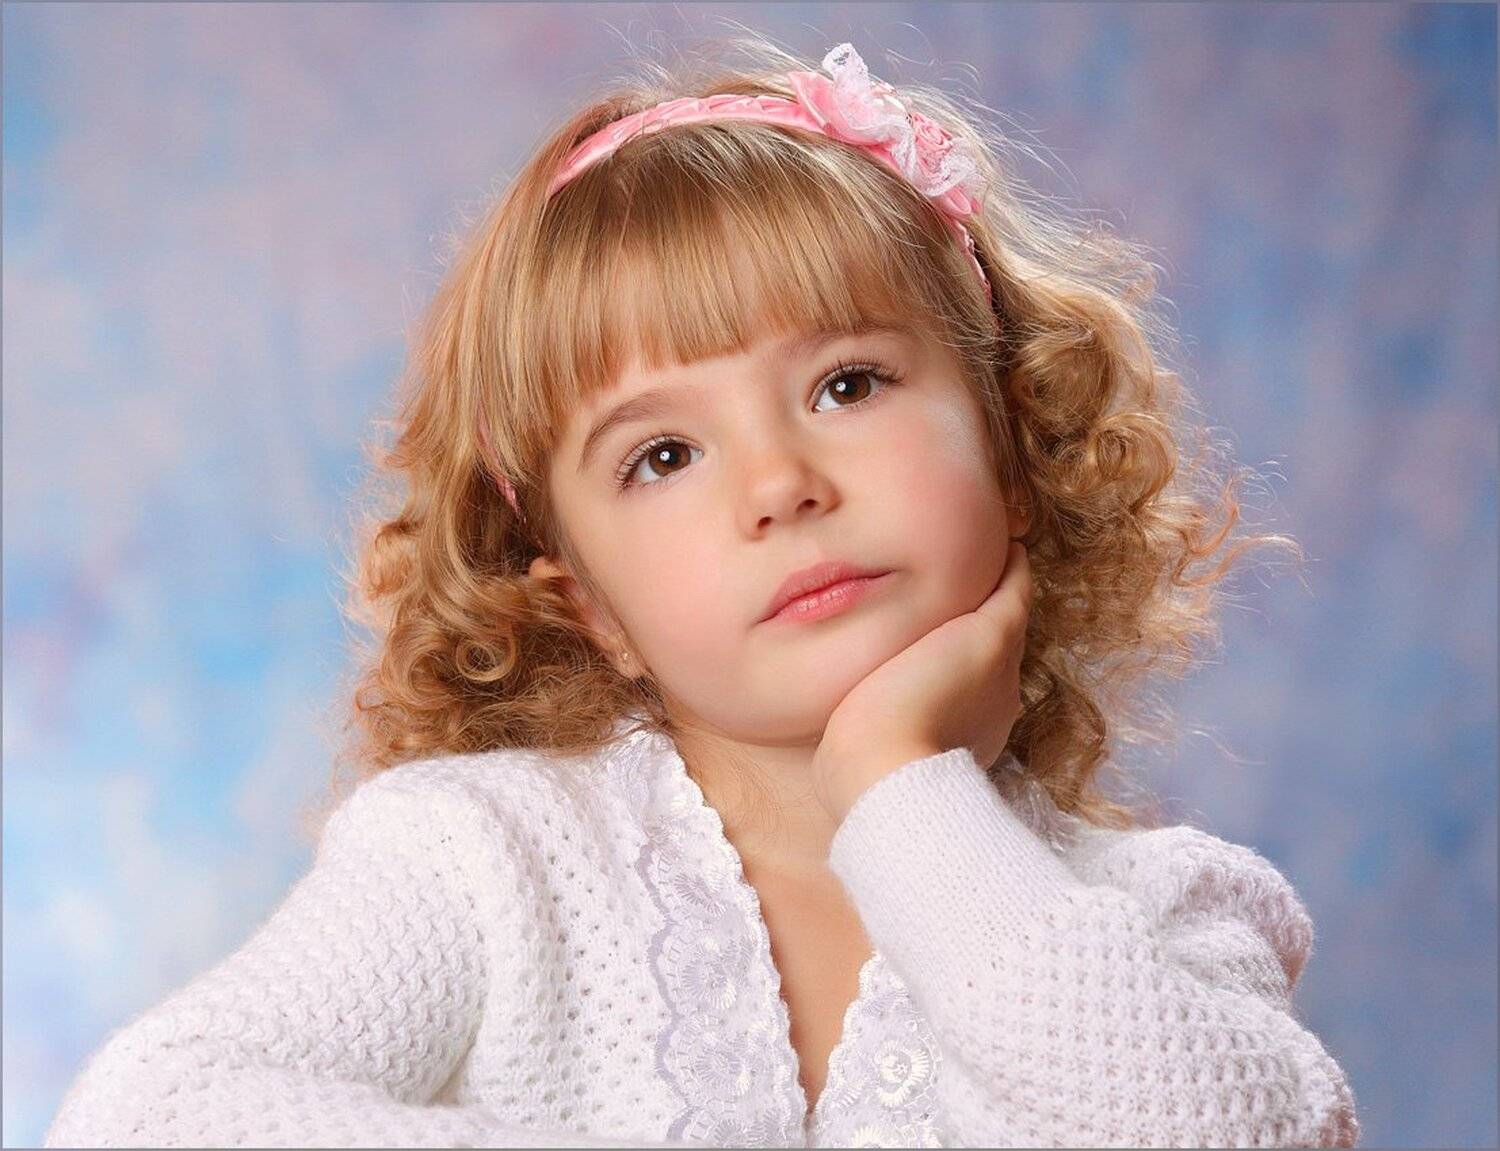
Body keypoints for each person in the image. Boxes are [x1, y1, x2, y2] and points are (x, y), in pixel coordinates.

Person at [44, 33, 1361, 1150]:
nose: (780, 484)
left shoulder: (1159, 912)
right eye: (663, 456)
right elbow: (152, 1114)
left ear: (1012, 451)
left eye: (847, 384)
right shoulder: (483, 861)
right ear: (590, 606)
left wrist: (901, 784)